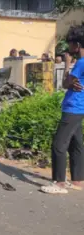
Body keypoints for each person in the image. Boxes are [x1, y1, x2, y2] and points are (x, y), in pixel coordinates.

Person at [41, 25, 84, 194]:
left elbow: (65, 84)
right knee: (76, 144)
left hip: (73, 107)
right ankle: (78, 180)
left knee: (59, 144)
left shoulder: (80, 63)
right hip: (80, 108)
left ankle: (59, 182)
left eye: (70, 44)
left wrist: (67, 65)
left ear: (77, 45)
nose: (69, 48)